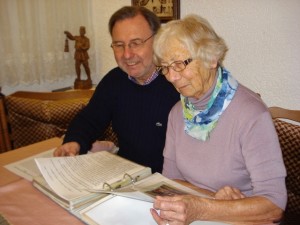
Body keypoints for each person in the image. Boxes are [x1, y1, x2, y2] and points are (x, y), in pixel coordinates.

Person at [150, 15, 287, 224]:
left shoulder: (251, 114)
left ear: (211, 58)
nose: (172, 77)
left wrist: (203, 208)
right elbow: (171, 181)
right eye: (166, 67)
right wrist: (213, 200)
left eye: (180, 64)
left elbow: (274, 206)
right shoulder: (178, 113)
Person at [54, 6, 180, 173]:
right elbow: (90, 119)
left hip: (166, 182)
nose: (127, 54)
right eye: (119, 45)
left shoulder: (178, 83)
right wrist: (74, 142)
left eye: (135, 43)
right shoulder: (115, 80)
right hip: (125, 176)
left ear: (157, 41)